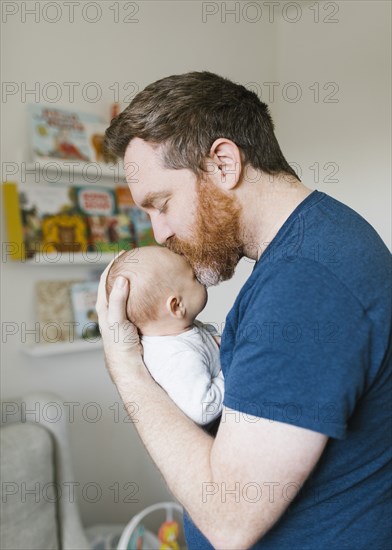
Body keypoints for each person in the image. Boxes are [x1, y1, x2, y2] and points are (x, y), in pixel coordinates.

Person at [96, 71, 391, 549]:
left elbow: (231, 516)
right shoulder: (315, 242)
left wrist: (125, 367)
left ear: (222, 163)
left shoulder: (305, 281)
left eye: (162, 202)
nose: (159, 232)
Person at [105, 246, 224, 428]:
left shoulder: (180, 330)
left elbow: (207, 345)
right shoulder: (176, 357)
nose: (201, 278)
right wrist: (234, 366)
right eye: (194, 277)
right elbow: (203, 409)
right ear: (176, 306)